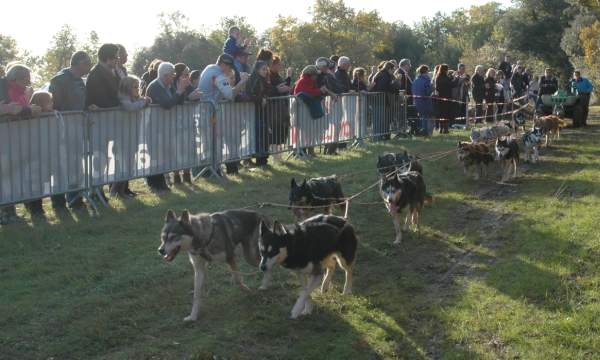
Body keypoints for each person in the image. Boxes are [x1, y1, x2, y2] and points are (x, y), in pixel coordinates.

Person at [47, 51, 93, 208]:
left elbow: (81, 102)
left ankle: (75, 198)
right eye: (88, 63)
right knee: (60, 164)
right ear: (80, 63)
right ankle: (58, 200)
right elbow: (55, 104)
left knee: (75, 163)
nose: (90, 66)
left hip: (76, 127)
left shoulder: (81, 80)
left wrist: (87, 107)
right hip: (61, 128)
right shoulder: (59, 79)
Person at [197, 54, 249, 175]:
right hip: (209, 114)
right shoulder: (219, 76)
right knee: (213, 144)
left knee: (209, 143)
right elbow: (230, 95)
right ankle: (210, 171)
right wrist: (242, 81)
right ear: (223, 64)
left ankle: (212, 170)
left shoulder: (209, 68)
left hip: (206, 111)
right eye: (229, 66)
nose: (230, 69)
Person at [145, 62, 190, 191]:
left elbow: (179, 102)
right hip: (155, 128)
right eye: (172, 75)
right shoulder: (155, 86)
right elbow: (167, 104)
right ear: (165, 76)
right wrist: (179, 90)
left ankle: (162, 184)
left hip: (165, 127)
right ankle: (155, 185)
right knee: (156, 156)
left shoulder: (168, 86)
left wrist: (183, 88)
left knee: (163, 156)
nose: (174, 77)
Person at [246, 61, 270, 166]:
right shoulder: (253, 80)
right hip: (255, 112)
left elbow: (266, 92)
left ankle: (264, 159)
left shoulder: (263, 80)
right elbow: (250, 95)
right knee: (258, 135)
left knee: (264, 134)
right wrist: (261, 99)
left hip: (262, 111)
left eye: (266, 69)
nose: (265, 71)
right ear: (257, 70)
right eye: (263, 69)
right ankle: (260, 159)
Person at [268, 56, 292, 152]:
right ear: (273, 65)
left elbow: (284, 86)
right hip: (274, 109)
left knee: (282, 131)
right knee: (275, 132)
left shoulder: (277, 75)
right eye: (279, 64)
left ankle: (279, 154)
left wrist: (289, 77)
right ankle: (276, 155)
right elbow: (273, 89)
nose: (280, 66)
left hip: (282, 108)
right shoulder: (269, 76)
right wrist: (279, 89)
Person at [370, 61, 398, 140]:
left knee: (379, 120)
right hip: (379, 101)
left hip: (379, 100)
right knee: (378, 120)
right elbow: (383, 88)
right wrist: (394, 83)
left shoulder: (381, 74)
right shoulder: (384, 75)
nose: (393, 72)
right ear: (389, 69)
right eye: (393, 70)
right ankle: (377, 138)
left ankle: (379, 137)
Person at [412, 65, 433, 136]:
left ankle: (421, 131)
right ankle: (425, 132)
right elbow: (427, 92)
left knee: (421, 117)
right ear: (426, 71)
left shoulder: (415, 80)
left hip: (417, 101)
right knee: (425, 118)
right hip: (425, 101)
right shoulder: (426, 80)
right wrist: (432, 88)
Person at [434, 64, 454, 133]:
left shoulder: (438, 77)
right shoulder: (445, 77)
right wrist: (456, 78)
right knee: (446, 113)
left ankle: (441, 128)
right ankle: (445, 129)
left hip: (440, 98)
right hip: (447, 97)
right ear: (445, 70)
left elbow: (437, 87)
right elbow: (452, 84)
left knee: (441, 113)